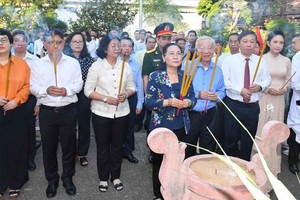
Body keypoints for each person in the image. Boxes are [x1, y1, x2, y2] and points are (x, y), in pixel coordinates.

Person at [30, 30, 83, 198]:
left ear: (63, 43)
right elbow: (32, 86)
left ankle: (68, 179)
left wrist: (66, 90)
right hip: (47, 111)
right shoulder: (38, 64)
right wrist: (45, 90)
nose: (55, 46)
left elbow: (79, 83)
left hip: (68, 110)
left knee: (69, 147)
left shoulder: (73, 63)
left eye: (59, 42)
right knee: (49, 149)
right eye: (51, 42)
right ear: (45, 45)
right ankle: (52, 180)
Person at [145, 43, 197, 200]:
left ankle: (175, 192)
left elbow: (193, 98)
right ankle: (158, 194)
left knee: (179, 161)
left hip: (181, 125)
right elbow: (149, 102)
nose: (175, 56)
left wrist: (187, 103)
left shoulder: (185, 76)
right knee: (159, 162)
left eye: (178, 53)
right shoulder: (156, 76)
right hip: (161, 127)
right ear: (164, 57)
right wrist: (167, 102)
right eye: (171, 53)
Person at [84, 35, 135, 192]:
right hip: (101, 113)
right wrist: (106, 99)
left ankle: (116, 176)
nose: (117, 48)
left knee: (118, 146)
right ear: (105, 49)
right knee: (103, 146)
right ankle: (103, 178)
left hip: (122, 113)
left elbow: (132, 87)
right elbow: (88, 91)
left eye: (118, 45)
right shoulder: (96, 67)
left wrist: (125, 95)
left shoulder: (125, 66)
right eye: (113, 45)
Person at [222, 30, 271, 161]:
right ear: (239, 43)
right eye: (245, 41)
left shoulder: (261, 61)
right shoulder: (229, 61)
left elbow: (267, 79)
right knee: (230, 140)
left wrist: (260, 86)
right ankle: (230, 168)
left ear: (256, 44)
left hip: (252, 107)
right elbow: (224, 81)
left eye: (252, 41)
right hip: (233, 106)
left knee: (248, 140)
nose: (248, 44)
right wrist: (240, 90)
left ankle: (245, 168)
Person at [0, 28, 30, 200]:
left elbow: (27, 86)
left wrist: (17, 100)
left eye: (4, 39)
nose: (0, 43)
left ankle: (15, 183)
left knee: (16, 147)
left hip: (16, 109)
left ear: (10, 43)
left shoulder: (21, 64)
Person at [185, 36, 226, 157]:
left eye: (210, 48)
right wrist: (198, 94)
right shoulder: (188, 67)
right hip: (191, 113)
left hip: (211, 114)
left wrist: (217, 96)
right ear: (197, 51)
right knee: (188, 146)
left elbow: (222, 91)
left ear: (214, 50)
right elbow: (181, 91)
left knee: (208, 148)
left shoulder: (218, 70)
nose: (206, 51)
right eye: (202, 48)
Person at [142, 22, 174, 163]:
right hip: (155, 99)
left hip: (171, 99)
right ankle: (153, 150)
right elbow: (146, 77)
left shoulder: (175, 54)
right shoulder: (150, 55)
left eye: (169, 38)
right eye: (163, 38)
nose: (166, 41)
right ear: (157, 39)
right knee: (153, 126)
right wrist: (148, 97)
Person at [64, 31, 95, 167]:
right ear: (69, 43)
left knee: (84, 127)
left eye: (80, 41)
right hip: (68, 96)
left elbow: (93, 82)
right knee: (69, 127)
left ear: (84, 43)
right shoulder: (63, 59)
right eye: (74, 41)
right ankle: (70, 154)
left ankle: (82, 154)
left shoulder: (90, 60)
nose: (77, 44)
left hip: (84, 96)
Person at [12, 29, 39, 171]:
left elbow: (40, 82)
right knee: (13, 130)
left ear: (28, 43)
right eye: (16, 40)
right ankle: (15, 158)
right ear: (12, 43)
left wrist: (39, 104)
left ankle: (29, 158)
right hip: (9, 100)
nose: (19, 43)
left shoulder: (35, 60)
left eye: (23, 40)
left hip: (29, 100)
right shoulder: (5, 58)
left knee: (29, 130)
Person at [120, 37, 144, 163]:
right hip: (117, 98)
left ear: (132, 48)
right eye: (124, 46)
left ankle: (128, 151)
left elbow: (139, 84)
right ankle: (117, 151)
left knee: (130, 126)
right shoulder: (113, 62)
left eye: (129, 46)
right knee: (118, 126)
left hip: (131, 97)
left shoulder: (136, 64)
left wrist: (140, 102)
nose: (126, 48)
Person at [287, 34, 300, 174]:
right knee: (296, 131)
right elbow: (295, 83)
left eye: (294, 42)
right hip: (298, 100)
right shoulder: (297, 57)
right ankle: (292, 161)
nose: (292, 45)